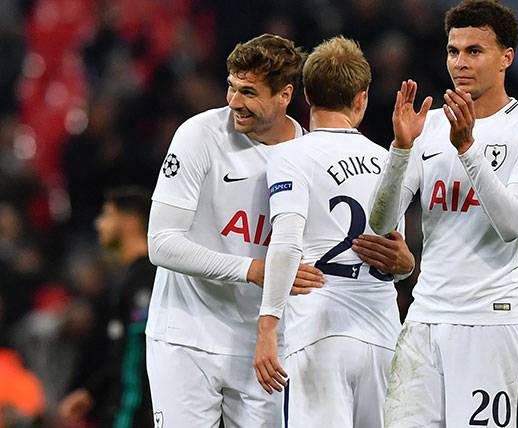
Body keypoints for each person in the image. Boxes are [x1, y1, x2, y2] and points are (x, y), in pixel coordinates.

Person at [146, 33, 411, 427]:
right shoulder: (198, 135)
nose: (233, 102)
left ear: (285, 95)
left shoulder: (308, 155)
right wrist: (252, 269)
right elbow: (161, 244)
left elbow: (346, 250)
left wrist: (403, 263)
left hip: (268, 348)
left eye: (249, 93)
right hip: (186, 337)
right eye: (231, 88)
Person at [369, 1, 518, 426]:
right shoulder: (429, 126)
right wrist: (400, 149)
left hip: (493, 324)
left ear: (506, 57)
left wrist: (468, 150)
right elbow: (380, 223)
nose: (460, 62)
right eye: (453, 51)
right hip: (424, 320)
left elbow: (513, 224)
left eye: (475, 51)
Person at [253, 36, 414, 428]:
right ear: (361, 99)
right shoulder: (389, 159)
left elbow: (288, 241)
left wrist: (267, 326)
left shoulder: (290, 156)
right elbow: (396, 253)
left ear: (306, 96)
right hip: (382, 336)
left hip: (318, 334)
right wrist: (407, 267)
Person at [58, 187, 155, 427]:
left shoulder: (145, 281)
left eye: (106, 215)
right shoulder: (128, 280)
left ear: (130, 222)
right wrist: (92, 391)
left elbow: (137, 359)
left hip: (134, 416)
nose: (99, 224)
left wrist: (125, 419)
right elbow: (121, 354)